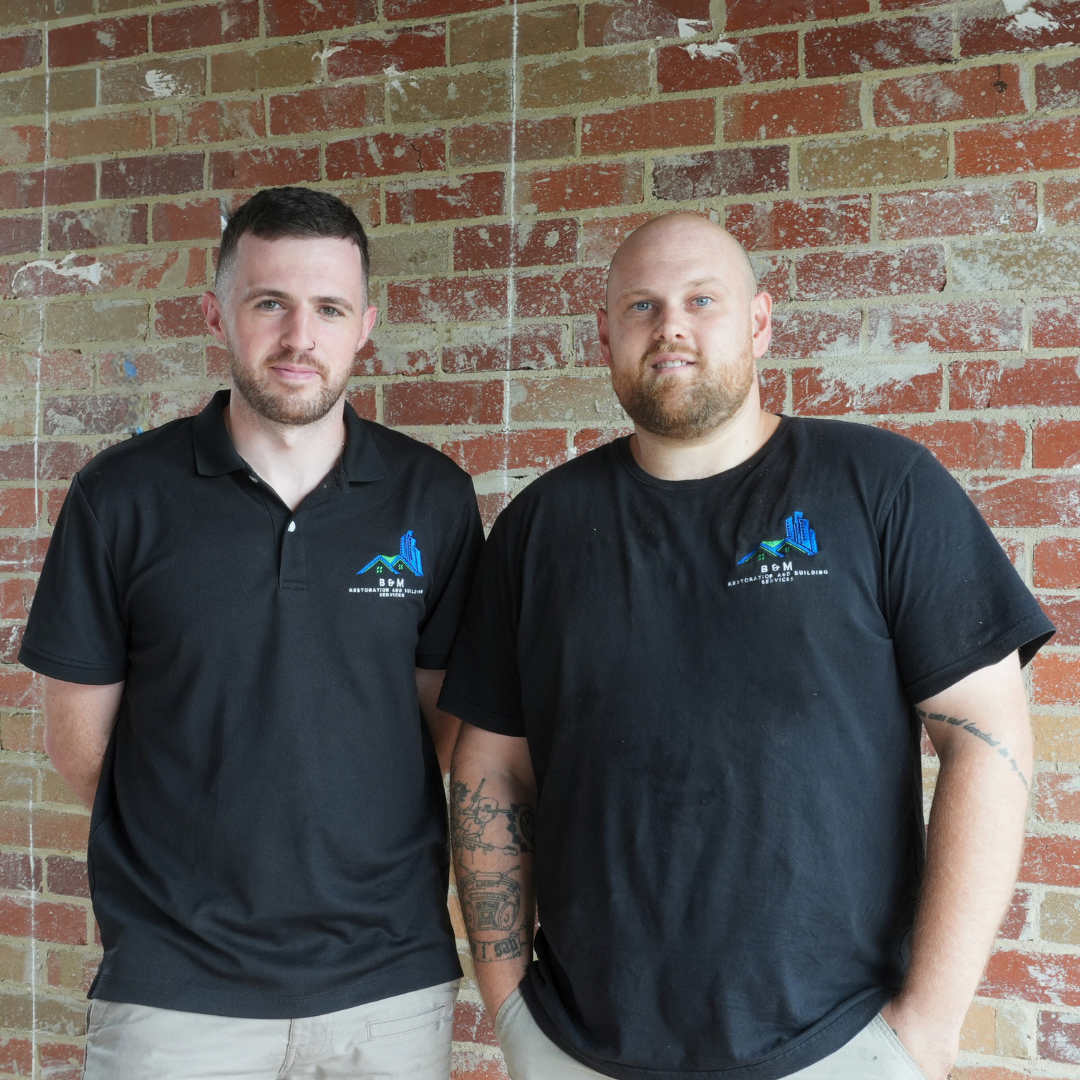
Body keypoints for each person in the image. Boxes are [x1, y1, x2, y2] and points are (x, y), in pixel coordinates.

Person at [439, 213, 1055, 1080]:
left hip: (836, 1045)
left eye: (702, 300)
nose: (671, 327)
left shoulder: (882, 486)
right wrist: (509, 1011)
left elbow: (987, 738)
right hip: (580, 1049)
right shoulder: (541, 526)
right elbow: (491, 768)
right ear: (605, 334)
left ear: (760, 322)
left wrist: (927, 1028)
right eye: (642, 306)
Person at [19, 187, 484, 1080]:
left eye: (329, 309)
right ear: (216, 314)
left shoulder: (434, 498)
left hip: (386, 985)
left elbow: (443, 731)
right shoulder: (119, 498)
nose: (300, 337)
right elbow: (83, 747)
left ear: (365, 325)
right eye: (270, 302)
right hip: (173, 989)